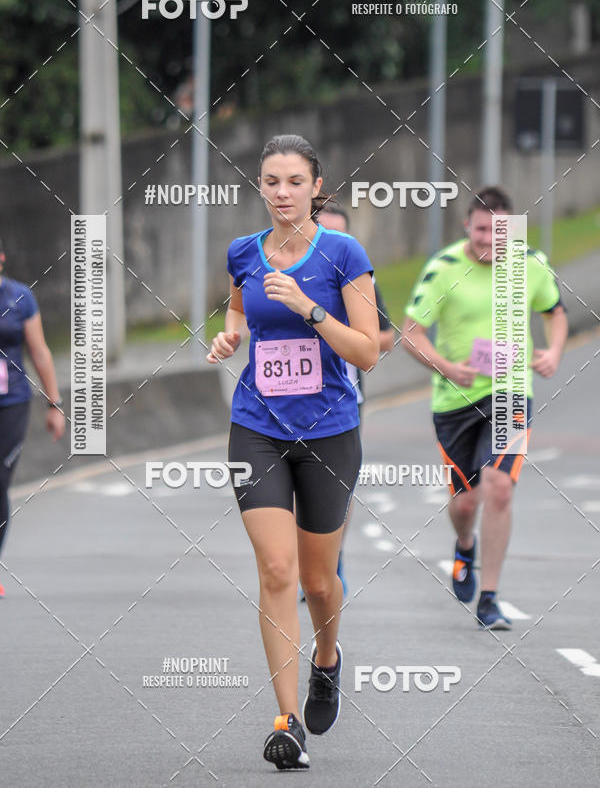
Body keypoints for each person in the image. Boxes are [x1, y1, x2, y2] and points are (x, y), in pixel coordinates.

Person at [207, 135, 379, 770]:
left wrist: (309, 309)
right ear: (261, 186)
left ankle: (327, 657)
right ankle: (285, 722)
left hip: (330, 429)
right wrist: (228, 339)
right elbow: (236, 314)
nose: (282, 193)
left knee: (317, 580)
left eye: (294, 181)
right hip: (257, 426)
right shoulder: (242, 252)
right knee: (276, 571)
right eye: (271, 181)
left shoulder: (342, 253)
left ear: (316, 187)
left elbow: (367, 350)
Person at [402, 187, 567, 629]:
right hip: (454, 400)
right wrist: (447, 367)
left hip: (512, 392)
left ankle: (490, 597)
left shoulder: (530, 264)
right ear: (466, 227)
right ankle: (465, 543)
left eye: (498, 234)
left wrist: (553, 350)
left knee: (498, 486)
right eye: (480, 231)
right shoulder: (444, 268)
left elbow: (555, 311)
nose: (488, 241)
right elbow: (411, 332)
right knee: (465, 502)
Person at [310, 201, 395, 597]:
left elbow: (386, 338)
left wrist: (344, 333)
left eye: (339, 235)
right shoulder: (289, 273)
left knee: (337, 485)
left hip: (344, 395)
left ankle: (334, 560)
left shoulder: (360, 278)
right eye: (323, 232)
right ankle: (309, 564)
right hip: (290, 396)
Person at [0, 237, 65, 597]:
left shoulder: (19, 297)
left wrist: (54, 404)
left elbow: (39, 353)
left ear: (2, 258)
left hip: (11, 402)